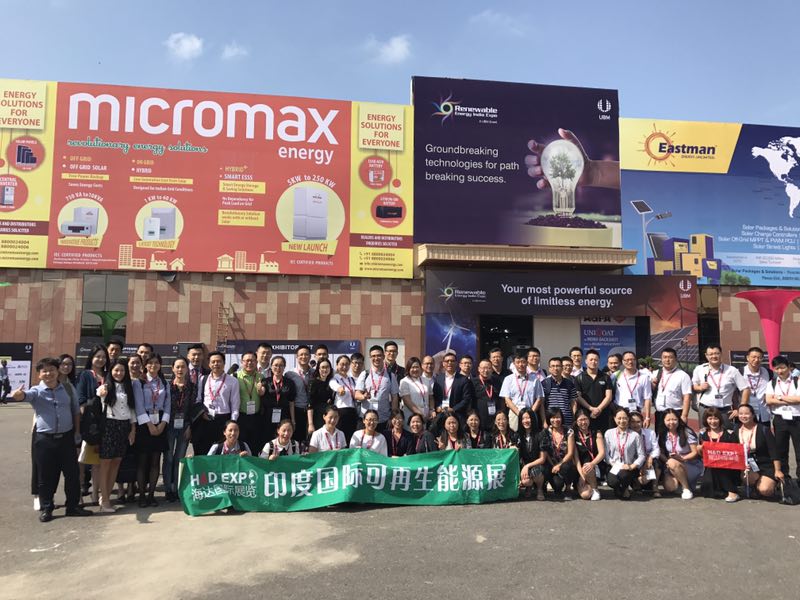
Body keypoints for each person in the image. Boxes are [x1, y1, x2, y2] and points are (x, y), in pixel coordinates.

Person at [12, 358, 93, 522]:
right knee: (45, 476)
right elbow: (24, 396)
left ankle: (72, 507)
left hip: (66, 438)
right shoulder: (36, 391)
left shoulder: (68, 389)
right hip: (45, 440)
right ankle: (47, 508)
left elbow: (75, 411)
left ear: (57, 371)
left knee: (72, 474)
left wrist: (77, 432)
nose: (48, 373)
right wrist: (18, 395)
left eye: (52, 370)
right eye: (44, 371)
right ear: (39, 374)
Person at [95, 358, 137, 512]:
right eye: (116, 370)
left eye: (122, 370)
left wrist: (133, 429)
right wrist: (101, 392)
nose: (119, 373)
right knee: (105, 463)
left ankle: (105, 496)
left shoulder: (128, 387)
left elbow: (132, 410)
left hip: (124, 426)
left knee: (116, 462)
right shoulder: (106, 386)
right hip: (109, 426)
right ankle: (105, 500)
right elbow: (99, 394)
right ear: (111, 371)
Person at [135, 354, 171, 507]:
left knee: (156, 461)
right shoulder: (139, 382)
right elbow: (138, 405)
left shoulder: (164, 382)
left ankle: (151, 495)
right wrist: (149, 425)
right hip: (145, 423)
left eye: (156, 363)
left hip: (160, 421)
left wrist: (163, 424)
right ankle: (142, 495)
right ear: (145, 365)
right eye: (150, 363)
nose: (153, 365)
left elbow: (168, 404)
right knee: (143, 462)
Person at [76, 344, 109, 505]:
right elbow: (80, 399)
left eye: (103, 357)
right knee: (82, 462)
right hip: (88, 424)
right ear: (91, 358)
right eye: (98, 356)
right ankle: (78, 495)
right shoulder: (85, 375)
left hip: (105, 423)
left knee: (98, 462)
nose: (101, 360)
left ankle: (96, 494)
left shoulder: (108, 375)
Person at [692, 344, 750, 429]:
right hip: (705, 409)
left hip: (725, 411)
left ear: (721, 354)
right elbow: (694, 386)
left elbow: (745, 389)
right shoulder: (699, 369)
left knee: (726, 435)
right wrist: (700, 387)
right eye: (711, 354)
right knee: (705, 434)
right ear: (706, 356)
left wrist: (741, 408)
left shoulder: (732, 370)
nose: (714, 356)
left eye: (716, 353)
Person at [195, 351, 240, 456]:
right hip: (206, 418)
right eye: (213, 362)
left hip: (223, 419)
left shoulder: (233, 381)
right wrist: (202, 413)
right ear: (209, 364)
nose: (216, 364)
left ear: (224, 363)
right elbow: (198, 399)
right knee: (204, 451)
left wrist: (232, 423)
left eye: (219, 361)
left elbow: (235, 404)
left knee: (221, 452)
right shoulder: (203, 379)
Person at [164, 355, 195, 503]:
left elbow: (193, 408)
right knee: (168, 458)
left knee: (179, 459)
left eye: (183, 366)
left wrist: (190, 426)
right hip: (169, 426)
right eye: (177, 366)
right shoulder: (167, 386)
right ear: (173, 369)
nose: (180, 369)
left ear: (187, 369)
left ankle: (177, 488)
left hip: (185, 426)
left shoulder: (192, 387)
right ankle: (167, 489)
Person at [736, 403, 783, 499]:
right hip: (748, 465)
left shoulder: (763, 429)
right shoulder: (736, 429)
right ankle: (754, 487)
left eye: (746, 414)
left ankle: (773, 485)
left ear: (753, 415)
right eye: (740, 414)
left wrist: (778, 470)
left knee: (765, 489)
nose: (743, 416)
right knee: (747, 478)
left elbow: (774, 452)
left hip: (765, 464)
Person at [765, 355, 800, 480]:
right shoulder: (772, 383)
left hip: (797, 419)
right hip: (780, 419)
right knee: (781, 450)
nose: (780, 371)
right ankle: (785, 479)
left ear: (789, 367)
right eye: (777, 368)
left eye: (782, 367)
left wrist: (780, 398)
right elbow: (769, 400)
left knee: (799, 451)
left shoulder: (797, 381)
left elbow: (799, 399)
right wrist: (790, 400)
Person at [697, 407, 740, 502]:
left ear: (720, 419)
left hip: (728, 466)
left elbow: (736, 453)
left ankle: (732, 491)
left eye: (715, 418)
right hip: (710, 465)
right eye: (710, 418)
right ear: (706, 420)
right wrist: (699, 450)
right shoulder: (703, 434)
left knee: (720, 468)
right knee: (707, 490)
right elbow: (702, 455)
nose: (713, 421)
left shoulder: (729, 433)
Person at [658, 409, 702, 500]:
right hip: (671, 463)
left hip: (689, 463)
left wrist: (682, 458)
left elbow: (695, 452)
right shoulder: (663, 434)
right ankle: (681, 482)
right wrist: (667, 461)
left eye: (674, 419)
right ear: (664, 421)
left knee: (672, 463)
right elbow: (661, 453)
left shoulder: (686, 431)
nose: (671, 422)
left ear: (679, 419)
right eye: (668, 420)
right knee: (670, 488)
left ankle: (686, 488)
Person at [604, 407, 646, 499]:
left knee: (624, 476)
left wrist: (632, 466)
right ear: (614, 419)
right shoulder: (609, 433)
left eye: (624, 418)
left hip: (628, 467)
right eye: (619, 418)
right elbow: (606, 453)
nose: (622, 421)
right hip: (613, 466)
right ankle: (619, 488)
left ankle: (624, 488)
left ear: (628, 419)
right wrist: (613, 464)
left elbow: (642, 455)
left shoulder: (635, 435)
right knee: (612, 482)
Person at [355, 345, 400, 431]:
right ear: (370, 358)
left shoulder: (390, 375)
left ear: (383, 356)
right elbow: (357, 394)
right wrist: (363, 396)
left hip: (383, 419)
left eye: (379, 355)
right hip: (366, 420)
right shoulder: (364, 374)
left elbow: (394, 397)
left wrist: (392, 416)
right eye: (373, 356)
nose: (376, 358)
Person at [500, 349, 544, 432]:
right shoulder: (508, 379)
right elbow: (507, 399)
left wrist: (530, 413)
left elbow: (539, 398)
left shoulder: (535, 379)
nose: (521, 364)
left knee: (532, 435)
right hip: (514, 413)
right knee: (515, 435)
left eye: (523, 362)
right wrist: (519, 413)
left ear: (527, 362)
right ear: (514, 363)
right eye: (518, 362)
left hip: (531, 413)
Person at [651, 347, 692, 435]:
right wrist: (652, 386)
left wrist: (684, 415)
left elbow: (687, 397)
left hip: (676, 413)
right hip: (660, 413)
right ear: (661, 359)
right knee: (660, 439)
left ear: (675, 359)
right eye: (665, 357)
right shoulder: (656, 373)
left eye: (670, 357)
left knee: (677, 439)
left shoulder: (683, 375)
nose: (667, 360)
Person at [574, 349, 614, 434]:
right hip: (586, 416)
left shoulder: (605, 377)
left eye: (596, 360)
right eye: (591, 359)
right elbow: (578, 396)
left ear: (599, 361)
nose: (593, 362)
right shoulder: (579, 378)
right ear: (586, 361)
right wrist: (591, 408)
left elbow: (609, 396)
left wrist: (599, 409)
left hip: (604, 415)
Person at [236, 351, 266, 457]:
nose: (250, 363)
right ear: (242, 362)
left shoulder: (261, 377)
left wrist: (261, 391)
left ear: (256, 362)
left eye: (252, 360)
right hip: (241, 417)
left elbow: (263, 394)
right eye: (247, 360)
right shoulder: (235, 376)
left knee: (256, 446)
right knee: (242, 446)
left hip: (256, 417)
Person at [542, 407, 577, 498]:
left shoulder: (569, 431)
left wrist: (559, 465)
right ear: (549, 419)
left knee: (567, 467)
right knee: (557, 485)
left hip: (565, 462)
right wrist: (553, 465)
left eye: (558, 417)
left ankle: (568, 488)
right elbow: (546, 453)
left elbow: (570, 453)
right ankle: (550, 485)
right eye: (553, 418)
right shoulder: (546, 432)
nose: (555, 420)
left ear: (562, 418)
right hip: (552, 463)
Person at [262, 355, 297, 443]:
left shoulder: (290, 383)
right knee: (267, 439)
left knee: (282, 439)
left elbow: (291, 402)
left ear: (284, 367)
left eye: (281, 365)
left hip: (284, 415)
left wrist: (293, 419)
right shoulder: (265, 381)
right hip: (267, 416)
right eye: (276, 365)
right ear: (271, 366)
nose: (278, 368)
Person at [614, 351, 653, 428]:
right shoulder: (616, 376)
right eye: (627, 360)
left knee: (636, 434)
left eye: (632, 359)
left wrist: (647, 417)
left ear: (636, 360)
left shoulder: (644, 377)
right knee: (621, 434)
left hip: (636, 411)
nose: (630, 362)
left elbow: (647, 398)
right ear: (623, 362)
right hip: (620, 411)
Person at [573, 410, 605, 501]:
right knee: (585, 495)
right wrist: (582, 476)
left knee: (587, 467)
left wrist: (592, 464)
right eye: (580, 420)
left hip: (595, 465)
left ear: (589, 420)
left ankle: (595, 489)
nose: (583, 422)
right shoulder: (574, 435)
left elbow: (602, 453)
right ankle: (585, 485)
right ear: (576, 421)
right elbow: (576, 458)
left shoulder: (596, 433)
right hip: (580, 468)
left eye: (585, 419)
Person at [629, 410, 661, 497]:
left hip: (648, 461)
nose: (635, 424)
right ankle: (637, 486)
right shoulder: (627, 434)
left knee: (656, 463)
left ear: (642, 422)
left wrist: (650, 457)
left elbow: (656, 449)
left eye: (638, 422)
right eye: (632, 422)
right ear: (628, 423)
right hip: (635, 461)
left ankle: (655, 487)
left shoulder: (650, 433)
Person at [285, 345, 313, 443]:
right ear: (296, 357)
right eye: (301, 355)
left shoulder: (315, 373)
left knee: (311, 438)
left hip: (312, 410)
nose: (303, 357)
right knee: (297, 438)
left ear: (310, 356)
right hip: (297, 410)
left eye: (306, 354)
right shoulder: (290, 374)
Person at [517, 408, 547, 499]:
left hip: (538, 464)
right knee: (526, 481)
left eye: (528, 418)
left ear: (533, 419)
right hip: (524, 464)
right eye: (523, 418)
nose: (525, 421)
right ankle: (528, 487)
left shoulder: (541, 434)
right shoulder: (518, 435)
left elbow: (542, 459)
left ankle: (539, 489)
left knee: (536, 472)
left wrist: (527, 466)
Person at [543, 357, 578, 430]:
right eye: (553, 366)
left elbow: (573, 402)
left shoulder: (569, 383)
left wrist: (574, 418)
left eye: (558, 366)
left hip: (567, 421)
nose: (555, 368)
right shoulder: (544, 383)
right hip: (551, 421)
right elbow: (541, 405)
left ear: (562, 368)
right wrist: (544, 421)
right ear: (549, 369)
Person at [330, 355, 359, 442]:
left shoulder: (351, 379)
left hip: (352, 412)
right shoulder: (334, 379)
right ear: (337, 365)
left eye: (347, 364)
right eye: (342, 364)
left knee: (351, 438)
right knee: (340, 439)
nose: (344, 367)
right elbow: (335, 386)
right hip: (340, 412)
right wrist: (340, 389)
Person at [399, 357, 433, 428]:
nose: (415, 369)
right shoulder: (404, 381)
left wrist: (431, 410)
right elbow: (407, 401)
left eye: (417, 367)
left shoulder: (426, 380)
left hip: (425, 416)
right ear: (408, 368)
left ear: (421, 368)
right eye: (413, 367)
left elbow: (431, 397)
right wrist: (420, 414)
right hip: (411, 415)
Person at [473, 359, 503, 434]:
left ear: (492, 369)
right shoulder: (473, 382)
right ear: (479, 369)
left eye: (488, 368)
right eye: (483, 368)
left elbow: (501, 398)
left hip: (495, 418)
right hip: (480, 418)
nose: (486, 370)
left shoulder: (497, 381)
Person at [742, 347, 771, 424]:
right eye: (753, 357)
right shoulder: (740, 372)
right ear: (747, 358)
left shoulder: (768, 372)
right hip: (746, 414)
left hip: (764, 414)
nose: (756, 360)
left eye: (759, 357)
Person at [307, 358, 334, 432]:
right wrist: (310, 424)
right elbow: (310, 404)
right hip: (316, 416)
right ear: (318, 369)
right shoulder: (313, 382)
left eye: (327, 367)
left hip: (327, 417)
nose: (325, 369)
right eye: (323, 367)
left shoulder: (331, 382)